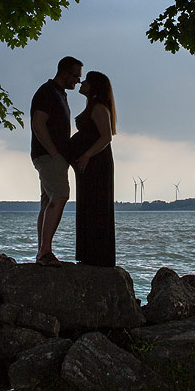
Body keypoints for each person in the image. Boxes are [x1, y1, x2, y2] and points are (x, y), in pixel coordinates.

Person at [30, 56, 82, 266]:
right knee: (60, 196)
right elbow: (38, 124)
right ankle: (45, 251)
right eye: (76, 76)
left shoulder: (59, 94)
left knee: (47, 202)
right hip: (48, 156)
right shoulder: (47, 92)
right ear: (65, 72)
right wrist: (53, 153)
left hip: (51, 156)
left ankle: (42, 251)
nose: (78, 81)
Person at [69, 70, 117, 267]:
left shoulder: (98, 108)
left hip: (97, 164)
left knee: (96, 205)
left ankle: (97, 255)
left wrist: (87, 155)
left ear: (94, 86)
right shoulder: (93, 106)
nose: (81, 82)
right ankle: (89, 253)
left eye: (86, 81)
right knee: (88, 204)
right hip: (89, 164)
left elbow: (106, 137)